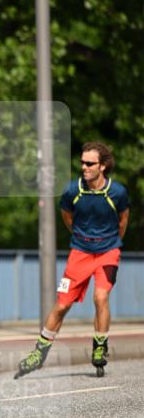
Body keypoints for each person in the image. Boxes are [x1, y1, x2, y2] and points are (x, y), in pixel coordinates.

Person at [16, 141, 130, 378]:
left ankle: (100, 347)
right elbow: (67, 217)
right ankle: (39, 352)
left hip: (108, 251)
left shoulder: (117, 192)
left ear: (103, 166)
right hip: (80, 253)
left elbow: (123, 221)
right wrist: (82, 239)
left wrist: (111, 244)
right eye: (82, 162)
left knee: (100, 297)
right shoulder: (72, 191)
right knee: (62, 305)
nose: (84, 167)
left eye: (90, 163)